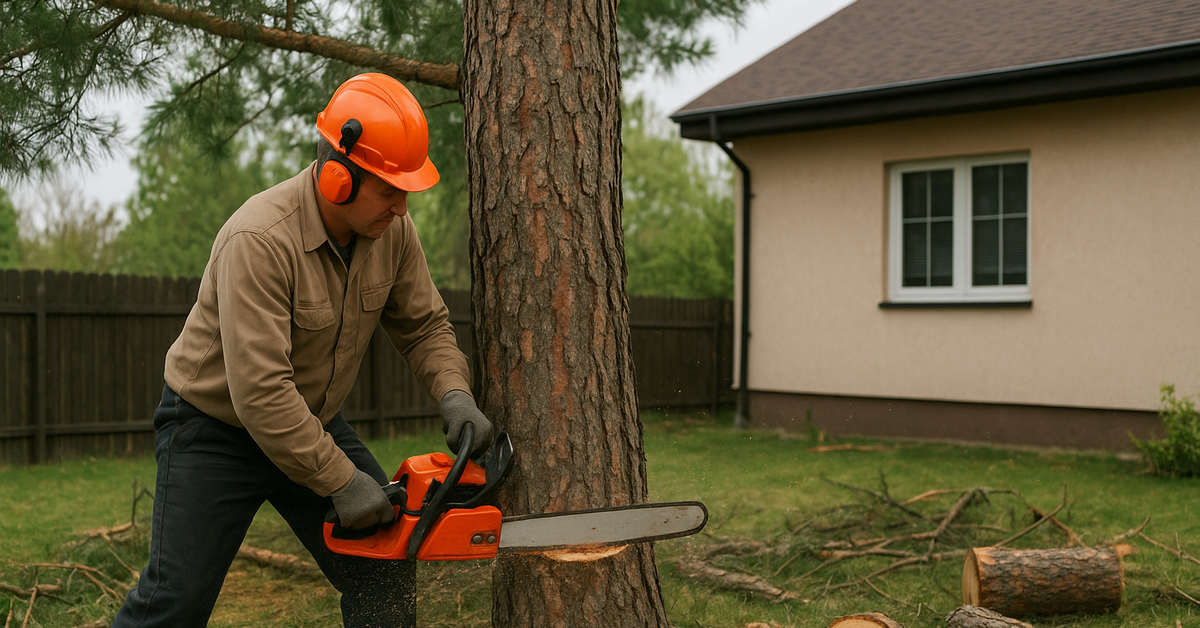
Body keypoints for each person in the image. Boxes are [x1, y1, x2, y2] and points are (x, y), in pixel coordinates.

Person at [111, 73, 494, 628]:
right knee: (175, 601)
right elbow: (262, 394)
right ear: (338, 178)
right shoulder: (260, 240)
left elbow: (424, 325)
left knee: (382, 572)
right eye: (389, 190)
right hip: (214, 432)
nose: (403, 208)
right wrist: (342, 481)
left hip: (311, 422)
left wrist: (455, 393)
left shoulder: (393, 233)